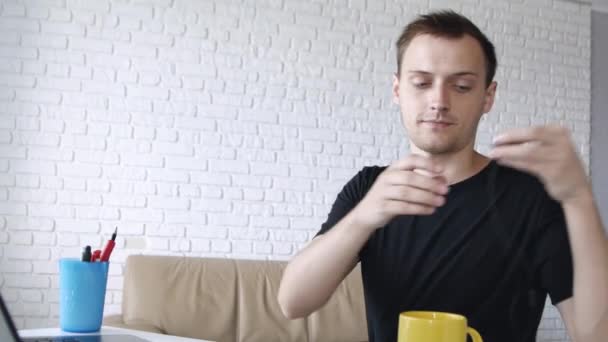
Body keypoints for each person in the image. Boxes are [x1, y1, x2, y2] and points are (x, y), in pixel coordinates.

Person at [277, 10, 608, 342]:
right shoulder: (370, 187)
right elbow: (293, 301)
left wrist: (578, 198)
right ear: (397, 90)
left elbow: (596, 334)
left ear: (487, 97)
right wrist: (364, 217)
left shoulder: (531, 197)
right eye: (421, 83)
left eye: (461, 86)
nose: (438, 100)